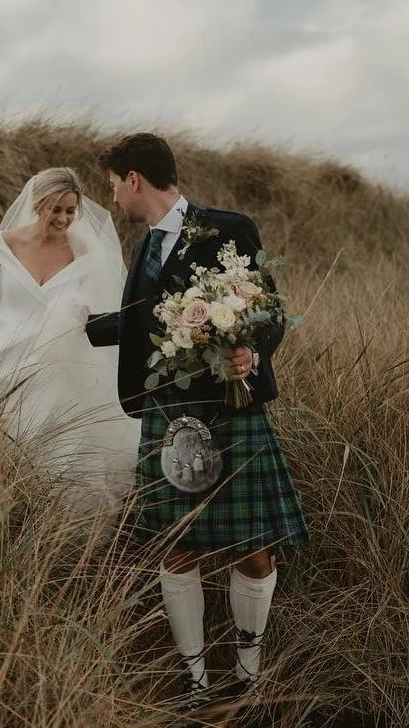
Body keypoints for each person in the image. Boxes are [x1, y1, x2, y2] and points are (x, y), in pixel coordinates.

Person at [85, 133, 308, 706]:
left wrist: (252, 352)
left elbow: (267, 308)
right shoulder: (143, 250)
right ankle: (195, 681)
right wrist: (73, 325)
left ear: (134, 178)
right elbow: (141, 324)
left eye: (113, 185)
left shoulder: (229, 227)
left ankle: (249, 675)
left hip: (230, 407)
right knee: (174, 545)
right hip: (166, 408)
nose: (113, 197)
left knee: (254, 546)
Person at [0, 167, 139, 518]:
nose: (63, 219)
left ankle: (55, 515)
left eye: (70, 211)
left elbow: (104, 296)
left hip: (57, 356)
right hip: (1, 347)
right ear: (37, 204)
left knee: (60, 439)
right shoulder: (7, 242)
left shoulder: (84, 249)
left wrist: (83, 308)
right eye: (55, 209)